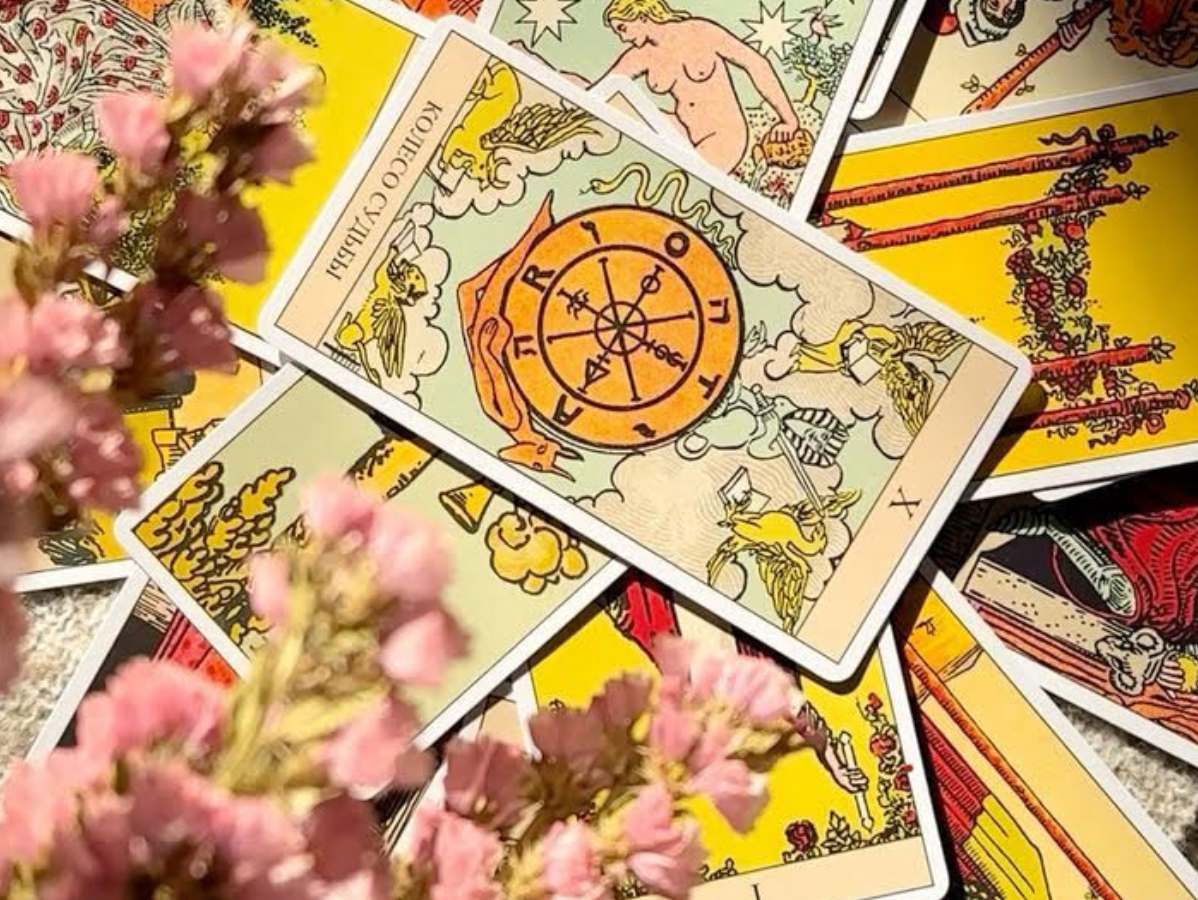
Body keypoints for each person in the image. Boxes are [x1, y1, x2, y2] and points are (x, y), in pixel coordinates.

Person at [599, 0, 803, 172]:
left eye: (623, 28)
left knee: (685, 175)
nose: (623, 38)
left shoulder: (700, 31)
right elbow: (602, 92)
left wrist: (789, 120)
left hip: (723, 139)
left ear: (642, 16)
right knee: (617, 105)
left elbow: (756, 64)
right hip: (681, 130)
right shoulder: (639, 55)